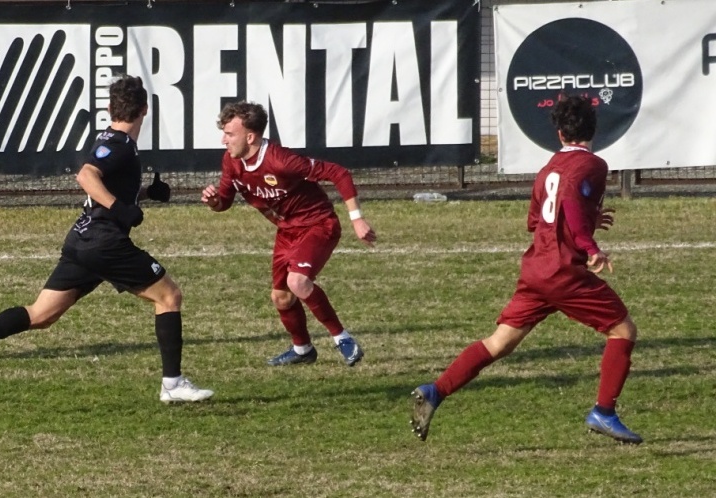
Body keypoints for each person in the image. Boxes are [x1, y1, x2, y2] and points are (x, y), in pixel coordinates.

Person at [0, 75, 213, 404]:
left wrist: (145, 194)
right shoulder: (119, 145)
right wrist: (120, 209)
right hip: (105, 244)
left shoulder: (110, 139)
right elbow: (86, 175)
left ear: (109, 108)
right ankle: (172, 383)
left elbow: (105, 184)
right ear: (145, 109)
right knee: (169, 296)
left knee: (42, 314)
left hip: (83, 241)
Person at [409, 94, 642, 444]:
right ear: (594, 130)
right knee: (623, 330)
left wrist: (586, 221)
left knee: (500, 342)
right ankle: (603, 412)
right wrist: (589, 245)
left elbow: (536, 220)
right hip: (564, 272)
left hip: (536, 269)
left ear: (560, 134)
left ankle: (436, 391)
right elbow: (571, 202)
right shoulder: (593, 165)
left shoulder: (548, 168)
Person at [201, 101, 377, 367]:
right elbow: (223, 202)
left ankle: (342, 338)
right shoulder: (232, 161)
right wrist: (213, 201)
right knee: (281, 298)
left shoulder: (281, 160)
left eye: (229, 134)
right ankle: (303, 349)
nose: (223, 140)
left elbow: (338, 173)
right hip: (287, 231)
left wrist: (357, 219)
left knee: (298, 282)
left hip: (318, 224)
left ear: (250, 137)